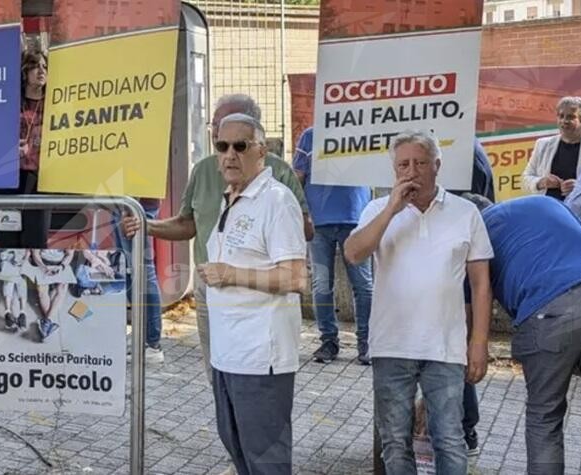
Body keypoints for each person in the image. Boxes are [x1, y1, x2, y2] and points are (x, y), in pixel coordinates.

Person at [121, 93, 312, 383]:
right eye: (220, 139)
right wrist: (147, 225)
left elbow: (301, 247)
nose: (227, 150)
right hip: (209, 285)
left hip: (258, 301)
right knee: (218, 373)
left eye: (239, 143)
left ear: (257, 142)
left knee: (254, 383)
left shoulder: (278, 184)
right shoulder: (205, 171)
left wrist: (237, 269)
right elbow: (187, 225)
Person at [343, 130, 493, 475]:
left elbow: (481, 284)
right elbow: (353, 253)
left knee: (450, 439)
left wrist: (479, 343)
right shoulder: (377, 209)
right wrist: (393, 208)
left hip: (444, 347)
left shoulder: (466, 211)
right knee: (395, 442)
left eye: (420, 163)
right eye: (403, 164)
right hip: (391, 346)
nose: (411, 171)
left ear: (437, 166)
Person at [199, 113, 307, 475]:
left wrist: (231, 274)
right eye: (222, 146)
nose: (230, 154)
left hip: (261, 358)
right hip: (228, 353)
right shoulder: (232, 198)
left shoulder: (276, 201)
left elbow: (295, 277)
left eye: (240, 146)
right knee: (239, 451)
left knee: (267, 462)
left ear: (261, 151)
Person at [462, 194, 581, 475]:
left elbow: (470, 313)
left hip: (547, 310)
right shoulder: (544, 202)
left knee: (545, 416)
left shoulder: (474, 237)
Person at [292, 126, 373, 364]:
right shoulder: (310, 135)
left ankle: (366, 342)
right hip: (319, 219)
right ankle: (329, 341)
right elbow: (298, 176)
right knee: (322, 283)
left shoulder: (367, 132)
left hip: (357, 217)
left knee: (363, 284)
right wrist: (301, 212)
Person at [449, 138, 497, 456]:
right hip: (449, 266)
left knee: (457, 345)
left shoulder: (465, 151)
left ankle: (464, 428)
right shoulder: (457, 145)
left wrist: (478, 340)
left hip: (460, 263)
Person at [0, 48, 51, 248]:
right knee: (9, 241)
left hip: (39, 180)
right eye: (34, 66)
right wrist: (8, 149)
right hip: (6, 179)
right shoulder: (8, 101)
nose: (41, 71)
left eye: (44, 67)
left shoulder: (55, 102)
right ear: (24, 72)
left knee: (36, 240)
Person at [112, 198, 165, 363]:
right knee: (132, 269)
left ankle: (152, 343)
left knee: (141, 269)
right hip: (127, 201)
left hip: (134, 200)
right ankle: (144, 339)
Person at [522, 96, 581, 201]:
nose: (564, 121)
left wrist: (580, 188)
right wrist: (542, 182)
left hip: (580, 214)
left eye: (571, 117)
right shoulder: (542, 144)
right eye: (561, 116)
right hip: (548, 209)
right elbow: (525, 179)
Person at [30, 249, 75, 342]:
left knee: (62, 288)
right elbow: (35, 254)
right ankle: (48, 323)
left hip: (60, 264)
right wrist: (43, 267)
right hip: (42, 264)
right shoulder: (38, 236)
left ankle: (47, 321)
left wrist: (61, 266)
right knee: (42, 290)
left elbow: (69, 254)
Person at [0, 249, 30, 331]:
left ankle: (22, 313)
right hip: (7, 259)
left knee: (22, 281)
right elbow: (1, 253)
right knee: (8, 281)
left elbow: (28, 251)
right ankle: (8, 312)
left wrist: (23, 261)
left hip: (21, 259)